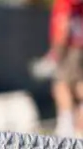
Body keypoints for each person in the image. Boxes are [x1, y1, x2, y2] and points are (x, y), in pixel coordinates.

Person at [36, 0, 83, 137]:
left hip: (70, 49)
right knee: (79, 87)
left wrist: (54, 56)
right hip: (78, 48)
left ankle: (66, 127)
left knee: (61, 85)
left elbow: (63, 28)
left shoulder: (65, 4)